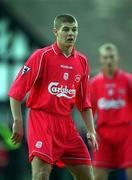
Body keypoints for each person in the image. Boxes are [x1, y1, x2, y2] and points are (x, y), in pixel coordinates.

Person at [8, 14, 98, 180]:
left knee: (87, 176)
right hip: (41, 121)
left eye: (74, 29)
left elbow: (84, 103)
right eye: (66, 29)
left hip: (66, 124)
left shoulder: (82, 61)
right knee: (41, 174)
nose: (71, 33)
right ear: (56, 32)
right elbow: (16, 92)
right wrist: (18, 121)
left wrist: (91, 130)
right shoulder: (41, 56)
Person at [90, 43, 132, 180]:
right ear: (101, 59)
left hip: (125, 131)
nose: (109, 60)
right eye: (105, 57)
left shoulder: (128, 80)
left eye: (111, 57)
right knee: (98, 174)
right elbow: (90, 109)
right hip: (103, 133)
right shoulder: (95, 83)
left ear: (117, 58)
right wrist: (90, 130)